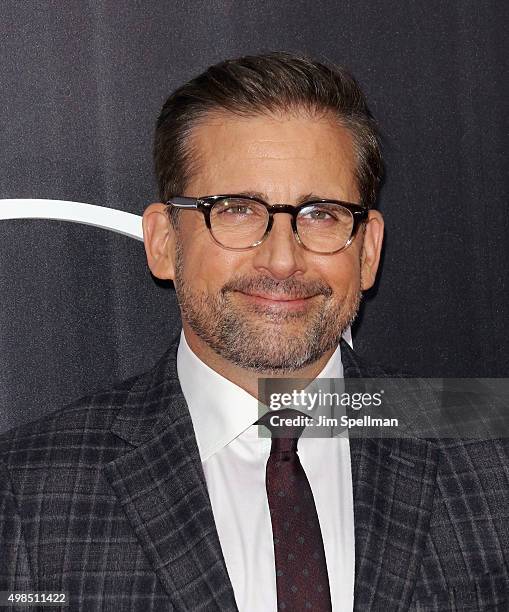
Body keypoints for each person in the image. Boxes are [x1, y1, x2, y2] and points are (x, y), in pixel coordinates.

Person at [1, 52, 508, 612]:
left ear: (367, 251)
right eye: (238, 210)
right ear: (164, 243)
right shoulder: (27, 489)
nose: (283, 259)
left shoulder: (489, 447)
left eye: (320, 213)